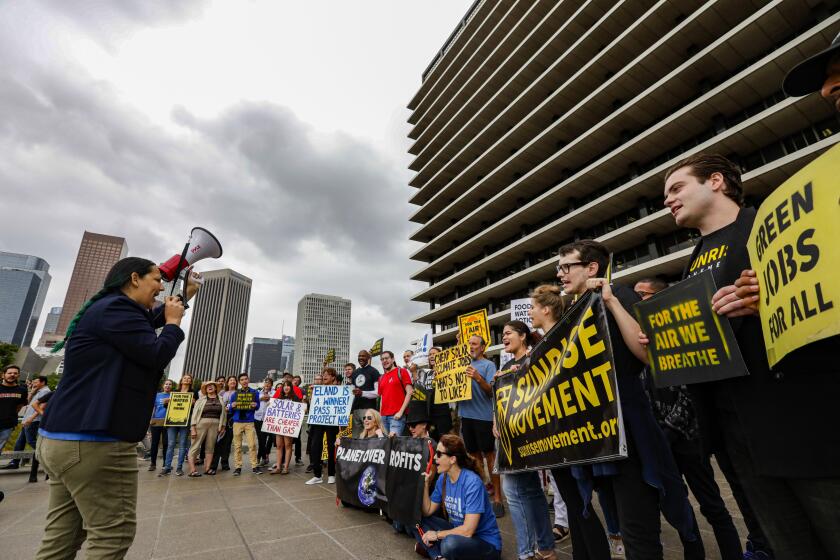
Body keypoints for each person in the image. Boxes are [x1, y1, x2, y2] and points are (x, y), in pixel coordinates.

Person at [656, 151, 840, 558]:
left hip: (799, 420)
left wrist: (770, 295)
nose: (667, 200)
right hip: (736, 433)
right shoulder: (692, 263)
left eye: (676, 187)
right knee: (787, 545)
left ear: (716, 181)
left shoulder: (770, 225)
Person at [35, 257, 193, 559]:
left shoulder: (110, 310)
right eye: (156, 280)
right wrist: (174, 323)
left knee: (62, 537)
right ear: (134, 279)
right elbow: (155, 352)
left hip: (62, 438)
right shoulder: (117, 310)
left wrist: (184, 298)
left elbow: (145, 323)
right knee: (113, 534)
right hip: (94, 440)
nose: (161, 287)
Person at [557, 240, 703, 559]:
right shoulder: (574, 310)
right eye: (559, 268)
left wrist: (610, 300)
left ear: (592, 268)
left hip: (628, 427)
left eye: (567, 266)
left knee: (639, 524)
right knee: (619, 520)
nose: (560, 274)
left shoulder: (619, 294)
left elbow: (645, 354)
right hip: (597, 435)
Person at [634, 279, 743, 560]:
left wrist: (667, 432)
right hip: (662, 442)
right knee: (677, 503)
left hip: (688, 441)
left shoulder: (679, 332)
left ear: (659, 297)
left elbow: (688, 391)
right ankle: (694, 552)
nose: (636, 301)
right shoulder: (640, 338)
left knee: (712, 504)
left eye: (641, 295)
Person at [528, 284, 612, 560]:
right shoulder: (543, 344)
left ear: (546, 309)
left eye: (532, 307)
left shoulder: (564, 338)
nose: (530, 312)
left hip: (573, 437)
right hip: (556, 437)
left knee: (582, 504)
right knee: (575, 504)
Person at [494, 321, 557, 560]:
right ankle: (546, 548)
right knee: (531, 492)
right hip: (510, 438)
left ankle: (527, 552)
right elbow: (500, 402)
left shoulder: (534, 360)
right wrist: (495, 420)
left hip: (529, 438)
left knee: (515, 492)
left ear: (523, 337)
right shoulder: (505, 367)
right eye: (503, 335)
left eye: (508, 333)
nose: (504, 337)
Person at [414, 434, 502, 560]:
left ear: (452, 459)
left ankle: (433, 550)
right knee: (416, 518)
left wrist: (437, 535)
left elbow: (468, 531)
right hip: (458, 533)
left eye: (439, 454)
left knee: (449, 544)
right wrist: (425, 485)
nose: (434, 458)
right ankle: (437, 556)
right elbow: (427, 511)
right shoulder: (443, 479)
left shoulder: (472, 482)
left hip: (485, 544)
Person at [458, 335, 503, 517]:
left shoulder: (488, 365)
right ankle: (481, 492)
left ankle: (498, 498)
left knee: (490, 457)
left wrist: (477, 378)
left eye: (474, 344)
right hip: (466, 417)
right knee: (474, 457)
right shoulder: (461, 364)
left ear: (483, 347)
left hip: (483, 418)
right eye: (469, 344)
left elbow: (491, 392)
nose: (471, 347)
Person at [4, 374, 50, 470]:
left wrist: (30, 419)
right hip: (28, 419)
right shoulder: (38, 391)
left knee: (31, 441)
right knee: (20, 442)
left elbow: (41, 408)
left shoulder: (45, 392)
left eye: (36, 382)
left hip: (33, 421)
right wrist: (32, 392)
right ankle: (14, 462)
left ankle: (49, 457)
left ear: (43, 382)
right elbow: (27, 402)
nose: (33, 383)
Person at [306, 367, 340, 485]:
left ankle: (331, 474)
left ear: (333, 378)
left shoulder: (337, 390)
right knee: (315, 447)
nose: (324, 376)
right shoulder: (317, 389)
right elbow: (312, 406)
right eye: (323, 374)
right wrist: (312, 394)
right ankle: (317, 475)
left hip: (331, 422)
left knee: (331, 447)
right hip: (318, 421)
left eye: (327, 374)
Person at [187, 381, 226, 476]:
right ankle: (192, 470)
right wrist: (193, 428)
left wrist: (223, 426)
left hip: (216, 425)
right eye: (207, 386)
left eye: (212, 386)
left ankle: (207, 468)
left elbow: (224, 415)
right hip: (201, 424)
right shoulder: (200, 400)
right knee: (195, 446)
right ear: (205, 389)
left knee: (210, 447)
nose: (209, 387)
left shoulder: (221, 399)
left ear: (216, 388)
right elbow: (194, 415)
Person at [161, 374, 196, 477]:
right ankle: (167, 467)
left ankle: (179, 468)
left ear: (191, 381)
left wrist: (194, 402)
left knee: (182, 445)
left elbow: (196, 407)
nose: (187, 379)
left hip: (185, 421)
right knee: (171, 444)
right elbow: (167, 407)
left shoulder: (193, 393)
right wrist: (165, 402)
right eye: (185, 378)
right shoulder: (174, 392)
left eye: (189, 378)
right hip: (172, 421)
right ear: (181, 380)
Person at [228, 373, 261, 476]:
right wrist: (231, 406)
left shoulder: (254, 392)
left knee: (252, 445)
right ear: (240, 382)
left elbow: (258, 406)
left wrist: (256, 405)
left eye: (246, 379)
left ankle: (254, 466)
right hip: (237, 422)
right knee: (237, 446)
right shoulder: (234, 394)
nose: (244, 381)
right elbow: (229, 409)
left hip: (249, 421)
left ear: (248, 380)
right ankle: (238, 467)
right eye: (242, 379)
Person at [378, 350, 413, 437]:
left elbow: (410, 392)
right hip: (383, 417)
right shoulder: (381, 378)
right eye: (382, 359)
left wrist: (401, 412)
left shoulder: (402, 371)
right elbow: (382, 398)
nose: (384, 361)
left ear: (393, 359)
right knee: (385, 444)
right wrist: (380, 415)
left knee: (394, 443)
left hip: (396, 416)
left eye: (387, 358)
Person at [268, 380, 301, 475]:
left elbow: (301, 410)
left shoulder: (295, 398)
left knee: (288, 446)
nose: (286, 387)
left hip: (288, 426)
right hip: (279, 425)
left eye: (288, 386)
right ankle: (278, 467)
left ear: (291, 387)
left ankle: (286, 467)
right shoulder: (279, 398)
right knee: (278, 446)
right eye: (284, 386)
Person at [209, 375, 238, 472]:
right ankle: (214, 464)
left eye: (234, 380)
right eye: (230, 380)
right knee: (219, 441)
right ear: (227, 382)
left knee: (228, 442)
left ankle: (225, 462)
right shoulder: (222, 393)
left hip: (232, 418)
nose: (232, 381)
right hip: (221, 418)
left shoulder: (238, 393)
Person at [349, 350, 380, 437]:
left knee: (369, 435)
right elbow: (351, 391)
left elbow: (377, 392)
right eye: (359, 356)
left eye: (363, 356)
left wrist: (362, 393)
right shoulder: (355, 373)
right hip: (356, 410)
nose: (361, 358)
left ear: (368, 358)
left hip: (368, 409)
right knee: (356, 437)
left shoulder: (374, 372)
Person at [0, 365, 27, 460]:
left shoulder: (22, 390)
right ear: (3, 375)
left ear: (18, 375)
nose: (12, 375)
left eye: (15, 373)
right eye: (9, 373)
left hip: (7, 425)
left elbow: (19, 407)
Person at [29, 388, 54, 482]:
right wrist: (44, 414)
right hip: (46, 425)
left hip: (58, 426)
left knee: (50, 451)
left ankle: (49, 475)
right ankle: (33, 475)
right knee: (39, 450)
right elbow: (34, 404)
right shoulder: (53, 393)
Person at [147, 379, 172, 472]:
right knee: (154, 443)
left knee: (166, 444)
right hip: (156, 421)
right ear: (163, 385)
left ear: (171, 386)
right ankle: (153, 463)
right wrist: (150, 419)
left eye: (170, 384)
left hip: (168, 422)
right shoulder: (157, 395)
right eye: (166, 384)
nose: (168, 386)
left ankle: (166, 464)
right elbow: (153, 407)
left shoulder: (173, 396)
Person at [303, 371, 323, 473]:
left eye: (320, 379)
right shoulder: (310, 390)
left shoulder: (326, 390)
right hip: (313, 419)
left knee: (321, 443)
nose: (318, 381)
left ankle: (320, 461)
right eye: (316, 379)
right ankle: (312, 463)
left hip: (323, 419)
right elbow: (307, 405)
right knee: (312, 443)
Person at [254, 377, 274, 467]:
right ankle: (263, 457)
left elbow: (276, 402)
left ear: (271, 385)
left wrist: (270, 398)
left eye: (269, 383)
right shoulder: (258, 392)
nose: (267, 384)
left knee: (266, 438)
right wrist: (261, 398)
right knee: (260, 438)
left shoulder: (274, 392)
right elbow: (253, 401)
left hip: (268, 419)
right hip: (258, 418)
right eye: (265, 382)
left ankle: (260, 456)